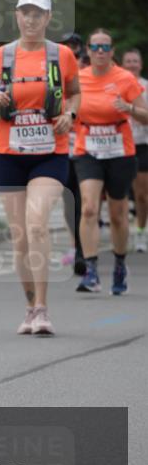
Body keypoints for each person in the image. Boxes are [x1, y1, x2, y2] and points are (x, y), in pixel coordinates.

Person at [0, 0, 80, 337]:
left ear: (48, 17)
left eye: (38, 13)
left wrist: (70, 114)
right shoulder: (1, 56)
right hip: (9, 154)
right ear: (17, 16)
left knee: (36, 224)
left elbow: (75, 93)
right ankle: (30, 306)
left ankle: (44, 309)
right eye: (26, 13)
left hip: (49, 153)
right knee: (20, 237)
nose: (31, 19)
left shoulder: (62, 55)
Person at [73, 31, 148, 294]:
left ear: (112, 51)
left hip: (119, 151)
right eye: (95, 47)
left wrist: (130, 109)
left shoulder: (125, 79)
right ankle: (91, 270)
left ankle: (119, 264)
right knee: (89, 208)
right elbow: (66, 109)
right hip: (88, 149)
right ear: (88, 51)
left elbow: (146, 116)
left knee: (117, 214)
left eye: (105, 47)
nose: (100, 51)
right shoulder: (78, 78)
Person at [59, 33, 87, 275]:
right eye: (66, 46)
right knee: (69, 203)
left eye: (74, 47)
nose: (70, 51)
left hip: (86, 149)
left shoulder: (87, 71)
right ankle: (76, 244)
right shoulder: (53, 73)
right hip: (62, 148)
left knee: (85, 202)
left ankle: (83, 249)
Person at [121, 48, 148, 252]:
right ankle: (120, 231)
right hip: (118, 144)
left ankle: (140, 230)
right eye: (128, 61)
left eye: (135, 61)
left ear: (140, 64)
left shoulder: (146, 86)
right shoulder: (115, 84)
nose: (131, 64)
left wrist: (132, 110)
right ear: (123, 65)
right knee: (118, 193)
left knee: (142, 195)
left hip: (142, 144)